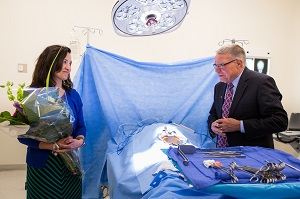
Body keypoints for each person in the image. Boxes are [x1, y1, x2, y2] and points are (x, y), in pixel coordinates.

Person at [18, 45, 86, 199]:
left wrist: (79, 141)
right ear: (50, 62)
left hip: (70, 164)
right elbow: (22, 136)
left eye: (70, 63)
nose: (68, 67)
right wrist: (53, 146)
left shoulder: (73, 95)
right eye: (64, 62)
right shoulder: (33, 95)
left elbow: (81, 126)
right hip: (43, 166)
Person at [207, 44, 288, 149]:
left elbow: (279, 121)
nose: (216, 70)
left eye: (221, 65)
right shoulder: (220, 86)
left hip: (252, 156)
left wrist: (240, 126)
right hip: (222, 153)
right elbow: (213, 113)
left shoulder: (261, 83)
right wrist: (213, 125)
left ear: (239, 63)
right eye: (216, 65)